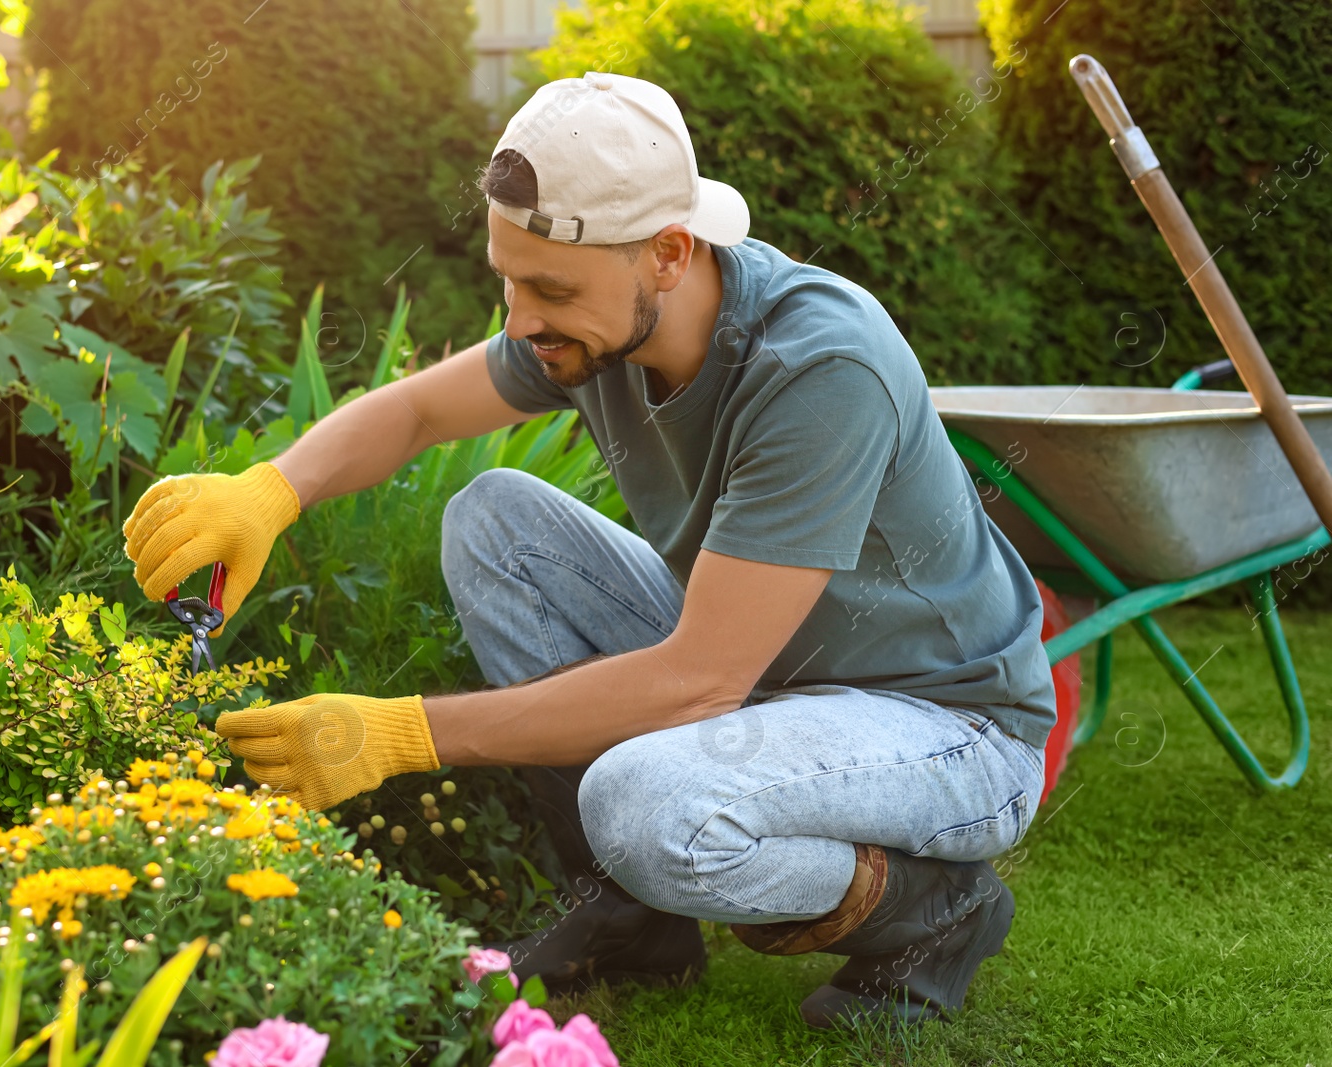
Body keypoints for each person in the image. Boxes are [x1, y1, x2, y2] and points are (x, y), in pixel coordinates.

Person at [120, 70, 1055, 1030]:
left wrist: (401, 734)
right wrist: (273, 490)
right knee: (492, 522)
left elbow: (696, 683)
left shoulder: (818, 367)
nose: (523, 320)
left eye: (549, 289)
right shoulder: (591, 326)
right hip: (770, 669)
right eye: (511, 281)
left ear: (667, 253)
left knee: (645, 805)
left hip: (945, 723)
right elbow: (415, 410)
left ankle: (931, 909)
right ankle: (627, 918)